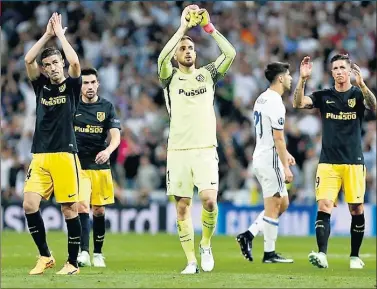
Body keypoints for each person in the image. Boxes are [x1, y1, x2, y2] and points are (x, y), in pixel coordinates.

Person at [157, 5, 236, 274]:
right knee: (182, 207)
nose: (188, 51)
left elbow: (230, 53)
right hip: (178, 150)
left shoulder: (208, 74)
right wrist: (182, 28)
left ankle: (205, 244)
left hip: (205, 149)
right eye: (183, 49)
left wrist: (208, 28)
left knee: (210, 200)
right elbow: (161, 59)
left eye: (191, 48)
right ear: (176, 55)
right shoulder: (170, 77)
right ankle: (191, 261)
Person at [292, 54, 376, 269]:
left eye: (342, 67)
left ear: (349, 71)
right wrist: (302, 79)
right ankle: (321, 254)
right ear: (331, 73)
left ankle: (355, 256)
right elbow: (298, 102)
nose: (339, 71)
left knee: (356, 209)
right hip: (328, 162)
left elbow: (373, 105)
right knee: (324, 205)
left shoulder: (358, 94)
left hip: (354, 162)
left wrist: (363, 85)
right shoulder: (324, 96)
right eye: (335, 68)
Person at [23, 13, 82, 275]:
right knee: (28, 205)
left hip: (64, 154)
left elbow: (75, 61)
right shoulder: (41, 87)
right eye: (47, 65)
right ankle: (45, 256)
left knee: (68, 208)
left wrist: (60, 36)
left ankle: (72, 263)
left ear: (61, 63)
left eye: (56, 62)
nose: (53, 68)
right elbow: (27, 59)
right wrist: (46, 35)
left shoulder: (71, 86)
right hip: (40, 155)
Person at [236, 62, 295, 263]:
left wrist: (285, 154)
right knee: (274, 205)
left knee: (283, 203)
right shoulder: (276, 102)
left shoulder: (261, 98)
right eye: (288, 75)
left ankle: (249, 235)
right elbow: (278, 137)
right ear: (280, 78)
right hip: (270, 159)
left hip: (261, 155)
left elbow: (269, 134)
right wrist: (285, 166)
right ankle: (269, 253)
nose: (290, 78)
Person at [74, 68, 121, 268]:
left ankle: (98, 253)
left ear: (98, 84)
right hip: (78, 165)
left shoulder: (107, 107)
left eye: (93, 82)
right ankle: (83, 251)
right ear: (81, 85)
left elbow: (116, 136)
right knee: (82, 206)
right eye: (85, 83)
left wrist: (108, 151)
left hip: (100, 164)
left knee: (99, 210)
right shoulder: (72, 105)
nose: (90, 86)